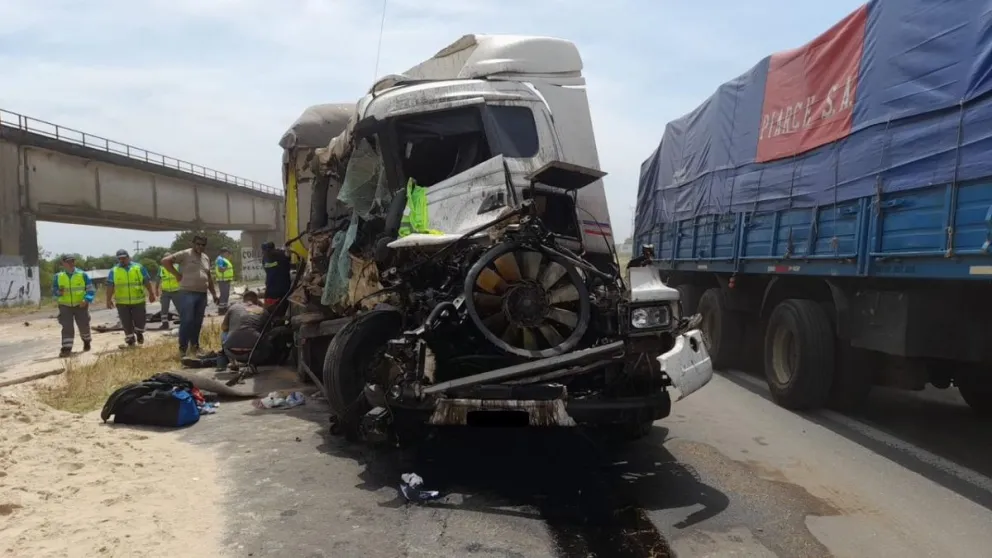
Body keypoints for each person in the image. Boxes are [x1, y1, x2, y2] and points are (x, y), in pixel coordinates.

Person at [162, 234, 219, 356]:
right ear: (193, 244)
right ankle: (183, 349)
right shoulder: (185, 254)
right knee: (187, 321)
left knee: (197, 322)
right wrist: (177, 274)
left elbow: (209, 277)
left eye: (203, 245)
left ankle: (195, 347)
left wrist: (214, 294)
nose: (200, 246)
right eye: (198, 244)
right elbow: (165, 261)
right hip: (187, 293)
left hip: (202, 294)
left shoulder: (205, 258)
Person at [106, 249, 156, 347]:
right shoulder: (114, 271)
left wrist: (151, 293)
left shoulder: (139, 267)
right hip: (122, 302)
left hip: (138, 301)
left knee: (140, 320)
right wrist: (108, 299)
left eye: (124, 258)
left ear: (128, 257)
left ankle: (139, 332)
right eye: (120, 259)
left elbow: (146, 281)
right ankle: (130, 340)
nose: (122, 260)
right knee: (126, 322)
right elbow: (110, 286)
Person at [54, 255, 95, 357]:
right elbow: (54, 290)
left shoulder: (82, 275)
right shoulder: (58, 276)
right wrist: (58, 292)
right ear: (63, 264)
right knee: (67, 327)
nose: (71, 263)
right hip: (65, 306)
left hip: (80, 305)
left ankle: (86, 341)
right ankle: (66, 349)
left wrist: (86, 299)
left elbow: (90, 290)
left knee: (84, 325)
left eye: (72, 261)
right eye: (68, 262)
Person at [216, 290, 268, 371]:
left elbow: (224, 327)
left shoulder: (234, 307)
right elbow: (267, 330)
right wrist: (262, 306)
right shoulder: (262, 311)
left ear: (243, 300)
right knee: (262, 334)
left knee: (225, 332)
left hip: (231, 352)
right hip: (254, 353)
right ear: (257, 301)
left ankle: (232, 362)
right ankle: (252, 363)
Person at [261, 241, 291, 307]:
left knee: (270, 309)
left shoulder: (264, 259)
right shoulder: (281, 255)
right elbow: (287, 262)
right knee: (281, 309)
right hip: (283, 290)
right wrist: (286, 251)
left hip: (270, 291)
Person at [157, 263, 181, 330]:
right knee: (164, 308)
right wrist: (156, 288)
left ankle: (184, 322)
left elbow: (182, 276)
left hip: (176, 291)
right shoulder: (161, 268)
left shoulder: (177, 266)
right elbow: (158, 278)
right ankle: (165, 324)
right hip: (165, 291)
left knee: (180, 308)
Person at [214, 247, 235, 315]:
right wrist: (225, 267)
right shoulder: (220, 259)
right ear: (223, 253)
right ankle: (221, 309)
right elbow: (220, 269)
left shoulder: (223, 259)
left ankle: (225, 307)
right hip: (223, 280)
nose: (228, 254)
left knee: (226, 294)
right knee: (224, 294)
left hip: (226, 279)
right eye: (227, 253)